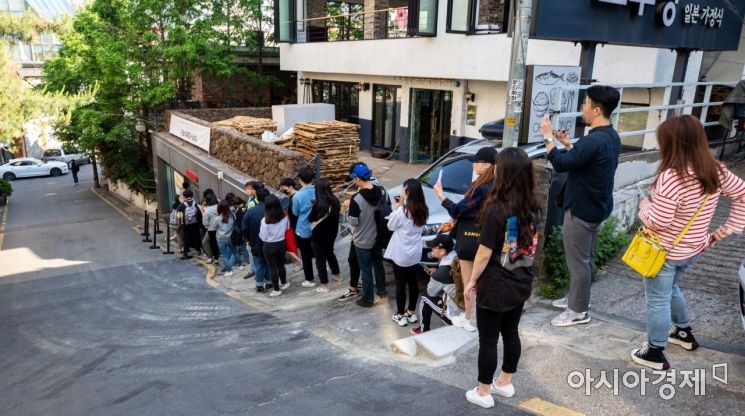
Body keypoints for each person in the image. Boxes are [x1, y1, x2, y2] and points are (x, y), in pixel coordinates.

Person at [628, 115, 745, 370]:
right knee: (671, 290)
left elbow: (657, 222)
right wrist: (723, 232)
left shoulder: (671, 176)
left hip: (665, 253)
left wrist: (644, 206)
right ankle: (683, 333)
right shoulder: (716, 169)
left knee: (657, 300)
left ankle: (655, 352)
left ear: (672, 143)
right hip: (694, 249)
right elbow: (743, 194)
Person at [463, 147, 541, 408]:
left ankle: (483, 392)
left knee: (487, 339)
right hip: (521, 279)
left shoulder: (496, 208)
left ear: (503, 172)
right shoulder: (533, 206)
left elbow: (484, 253)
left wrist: (471, 281)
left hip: (495, 284)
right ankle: (504, 383)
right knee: (510, 332)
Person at [542, 84, 621, 328]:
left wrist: (548, 138)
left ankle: (577, 311)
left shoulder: (593, 140)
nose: (582, 108)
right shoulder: (610, 136)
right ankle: (577, 299)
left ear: (597, 109)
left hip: (581, 209)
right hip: (597, 205)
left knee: (578, 262)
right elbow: (582, 160)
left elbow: (563, 165)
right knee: (584, 260)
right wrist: (567, 144)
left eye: (585, 104)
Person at [434, 146, 496, 332]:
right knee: (477, 282)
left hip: (470, 239)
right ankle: (469, 316)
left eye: (476, 162)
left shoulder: (481, 188)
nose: (474, 165)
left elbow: (458, 210)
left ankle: (471, 320)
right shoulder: (496, 184)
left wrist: (441, 196)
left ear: (486, 165)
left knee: (470, 281)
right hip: (485, 238)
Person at [385, 178, 429, 326]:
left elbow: (390, 226)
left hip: (401, 253)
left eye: (404, 190)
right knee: (413, 283)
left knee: (400, 285)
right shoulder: (424, 209)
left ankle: (400, 315)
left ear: (408, 192)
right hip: (415, 253)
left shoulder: (404, 211)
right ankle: (411, 312)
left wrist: (398, 206)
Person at [344, 162, 388, 308]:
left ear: (357, 179)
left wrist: (345, 211)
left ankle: (368, 299)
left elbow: (353, 222)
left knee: (366, 270)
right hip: (377, 237)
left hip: (362, 240)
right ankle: (382, 291)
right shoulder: (380, 191)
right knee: (378, 265)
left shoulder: (356, 199)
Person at [410, 234, 458, 335]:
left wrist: (434, 275)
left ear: (442, 251)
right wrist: (437, 272)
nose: (431, 248)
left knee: (424, 297)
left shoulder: (441, 273)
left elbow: (431, 293)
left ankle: (423, 331)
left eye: (434, 247)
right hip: (467, 307)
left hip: (456, 316)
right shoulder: (456, 258)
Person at [308, 179, 342, 293]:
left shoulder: (318, 204)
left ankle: (324, 285)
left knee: (320, 259)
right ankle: (337, 275)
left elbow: (311, 219)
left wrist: (313, 207)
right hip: (332, 234)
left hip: (319, 236)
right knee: (330, 253)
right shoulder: (336, 201)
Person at [243, 187, 272, 292]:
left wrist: (248, 239)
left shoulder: (251, 211)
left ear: (257, 197)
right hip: (272, 241)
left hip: (255, 241)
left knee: (259, 263)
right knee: (269, 262)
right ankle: (269, 283)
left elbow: (244, 227)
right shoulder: (274, 210)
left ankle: (259, 285)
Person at [292, 166, 318, 287]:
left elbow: (295, 213)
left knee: (306, 255)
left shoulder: (297, 196)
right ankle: (329, 272)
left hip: (303, 228)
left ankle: (309, 279)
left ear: (300, 179)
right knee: (320, 251)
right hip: (318, 226)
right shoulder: (318, 190)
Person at [261, 195, 291, 297]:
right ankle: (284, 283)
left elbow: (263, 236)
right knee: (281, 265)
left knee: (272, 268)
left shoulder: (265, 220)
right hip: (281, 243)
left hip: (269, 245)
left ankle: (276, 289)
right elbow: (288, 228)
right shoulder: (285, 216)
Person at [279, 177, 303, 270]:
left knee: (299, 245)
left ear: (290, 186)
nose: (283, 189)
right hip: (294, 224)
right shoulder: (293, 196)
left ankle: (301, 262)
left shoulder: (296, 196)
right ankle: (300, 262)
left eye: (284, 187)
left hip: (297, 224)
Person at [212, 201, 238, 277]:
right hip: (230, 237)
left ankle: (229, 270)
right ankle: (239, 265)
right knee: (233, 252)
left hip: (221, 239)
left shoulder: (217, 218)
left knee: (224, 255)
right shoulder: (232, 216)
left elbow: (214, 228)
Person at [177, 190, 202, 258]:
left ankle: (186, 251)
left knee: (186, 237)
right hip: (195, 223)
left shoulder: (183, 204)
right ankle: (198, 250)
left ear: (184, 197)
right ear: (192, 196)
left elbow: (178, 213)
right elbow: (199, 214)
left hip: (186, 224)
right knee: (196, 236)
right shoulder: (195, 203)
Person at [233, 196, 254, 276]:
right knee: (244, 247)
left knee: (240, 247)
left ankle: (246, 261)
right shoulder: (245, 207)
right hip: (245, 230)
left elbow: (240, 222)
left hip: (241, 231)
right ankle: (247, 260)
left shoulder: (239, 211)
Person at [201, 192, 220, 264]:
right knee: (216, 242)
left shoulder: (207, 210)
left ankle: (211, 257)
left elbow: (204, 223)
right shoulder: (219, 206)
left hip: (211, 228)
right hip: (221, 227)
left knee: (205, 242)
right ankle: (216, 257)